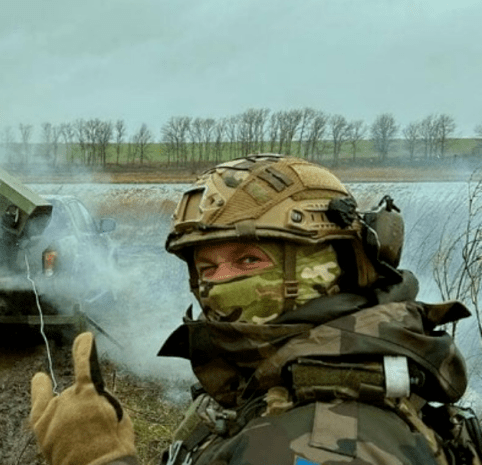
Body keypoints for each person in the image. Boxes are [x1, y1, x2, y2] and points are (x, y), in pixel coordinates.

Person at [29, 154, 479, 465]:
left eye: (248, 260)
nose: (216, 284)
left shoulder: (329, 441)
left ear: (331, 264)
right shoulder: (292, 377)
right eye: (206, 266)